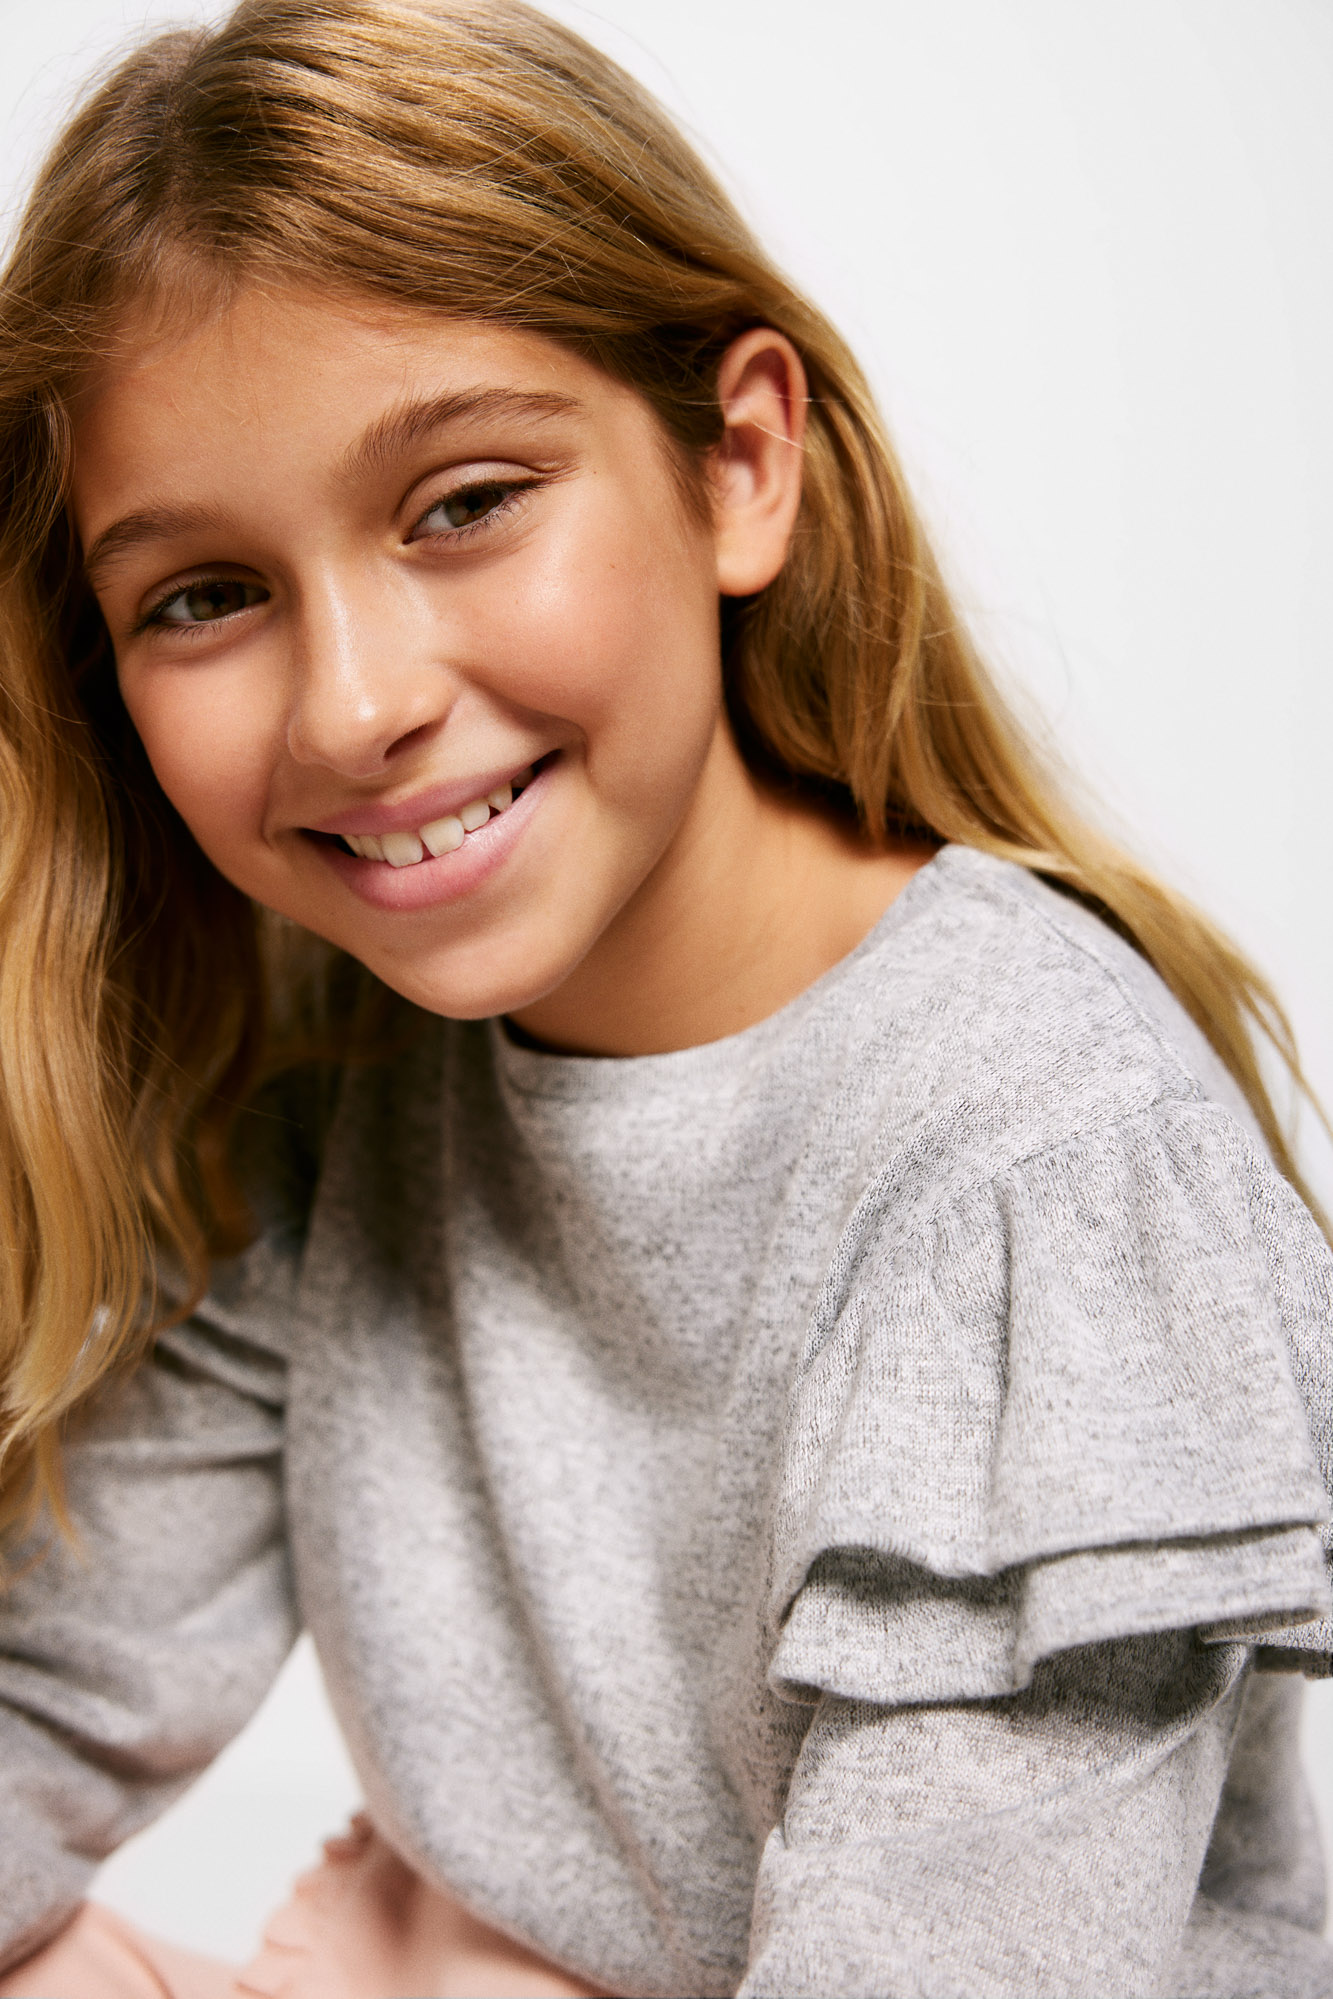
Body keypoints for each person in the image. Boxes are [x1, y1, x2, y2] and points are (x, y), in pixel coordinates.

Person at [0, 1, 1329, 1993]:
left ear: (740, 463)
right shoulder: (347, 1096)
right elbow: (41, 1713)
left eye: (462, 502)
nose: (356, 703)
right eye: (203, 595)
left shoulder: (1032, 1161)